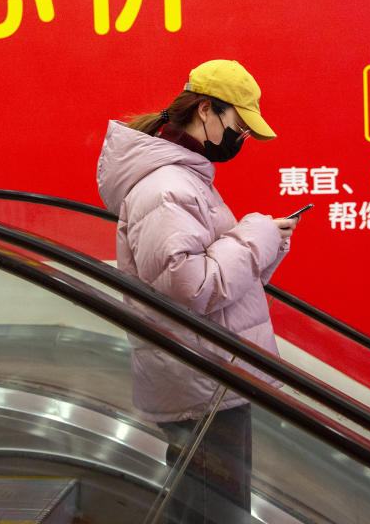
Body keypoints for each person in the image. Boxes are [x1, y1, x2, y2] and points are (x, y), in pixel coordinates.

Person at [96, 59, 296, 523]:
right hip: (202, 383)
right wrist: (256, 233)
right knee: (212, 514)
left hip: (207, 376)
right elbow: (192, 289)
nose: (241, 139)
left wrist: (266, 242)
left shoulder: (183, 178)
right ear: (206, 109)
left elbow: (206, 277)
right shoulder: (166, 187)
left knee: (199, 510)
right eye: (238, 126)